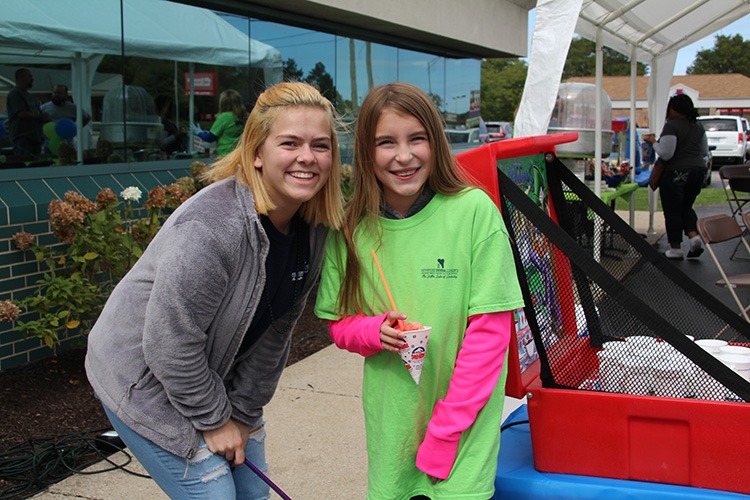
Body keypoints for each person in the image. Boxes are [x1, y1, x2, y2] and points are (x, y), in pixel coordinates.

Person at [85, 81, 343, 498]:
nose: (307, 158)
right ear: (257, 153)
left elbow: (275, 334)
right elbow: (169, 344)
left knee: (253, 493)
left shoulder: (313, 231)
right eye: (290, 143)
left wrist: (241, 413)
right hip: (141, 377)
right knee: (215, 492)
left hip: (203, 375)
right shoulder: (211, 228)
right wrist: (215, 420)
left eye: (320, 145)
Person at [314, 82, 525, 499]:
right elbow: (339, 325)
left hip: (464, 432)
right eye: (386, 142)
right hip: (392, 428)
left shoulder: (474, 212)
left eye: (417, 139)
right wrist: (373, 332)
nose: (404, 155)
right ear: (365, 152)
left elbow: (490, 337)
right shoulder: (350, 229)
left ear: (436, 142)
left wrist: (445, 434)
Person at [644, 94, 708, 260]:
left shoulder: (672, 126)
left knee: (672, 210)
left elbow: (666, 153)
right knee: (686, 205)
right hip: (698, 170)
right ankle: (694, 238)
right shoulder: (698, 126)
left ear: (674, 109)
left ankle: (675, 248)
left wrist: (653, 142)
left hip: (677, 172)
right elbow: (704, 151)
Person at [193, 89, 249, 158]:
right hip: (239, 155)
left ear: (222, 103)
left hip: (225, 156)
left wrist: (198, 132)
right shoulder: (243, 116)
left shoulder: (224, 117)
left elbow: (209, 138)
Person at [6, 68, 48, 157]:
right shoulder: (15, 93)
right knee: (26, 164)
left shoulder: (30, 96)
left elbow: (38, 113)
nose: (32, 79)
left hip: (35, 138)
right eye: (29, 76)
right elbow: (21, 114)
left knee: (36, 165)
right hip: (23, 137)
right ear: (21, 77)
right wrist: (40, 116)